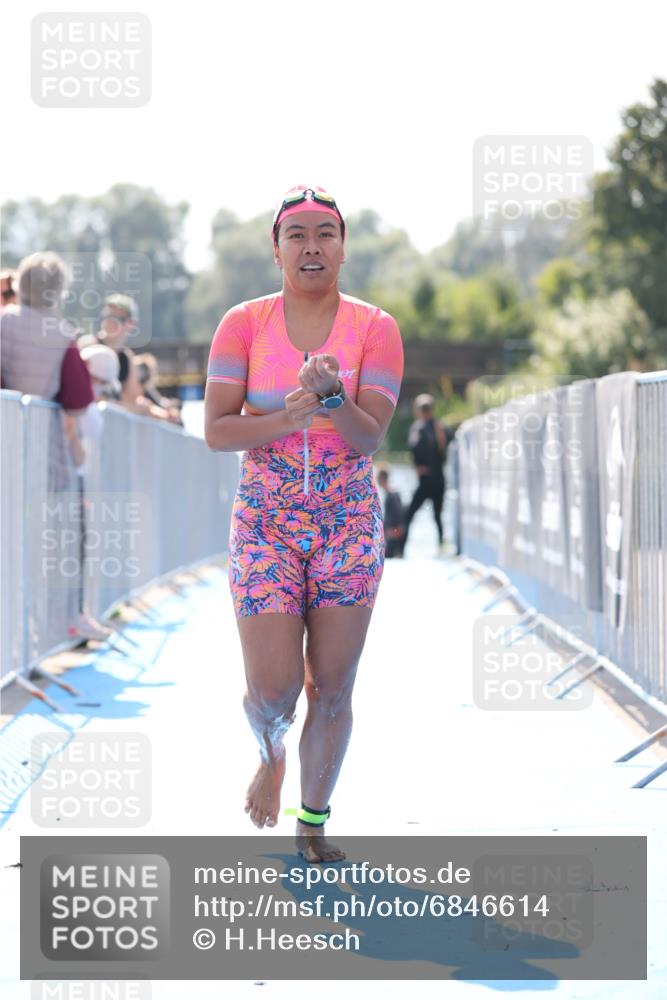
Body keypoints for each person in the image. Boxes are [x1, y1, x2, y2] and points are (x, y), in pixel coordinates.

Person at [205, 185, 404, 863]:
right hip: (265, 521)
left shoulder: (375, 327)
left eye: (325, 233)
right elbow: (217, 431)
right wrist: (285, 419)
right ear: (276, 248)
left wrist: (331, 397)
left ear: (343, 248)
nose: (312, 246)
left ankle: (312, 820)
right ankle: (270, 751)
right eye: (297, 235)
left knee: (333, 685)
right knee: (274, 690)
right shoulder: (243, 323)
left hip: (346, 523)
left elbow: (368, 437)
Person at [400, 393, 451, 555]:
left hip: (426, 479)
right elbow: (447, 449)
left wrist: (419, 466)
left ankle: (399, 548)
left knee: (409, 514)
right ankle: (441, 545)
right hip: (439, 478)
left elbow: (416, 448)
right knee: (437, 515)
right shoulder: (441, 427)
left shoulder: (419, 427)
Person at [375, 464, 406, 558]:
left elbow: (399, 513)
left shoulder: (391, 494)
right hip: (391, 533)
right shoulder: (391, 493)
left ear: (381, 478)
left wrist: (395, 530)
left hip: (394, 534)